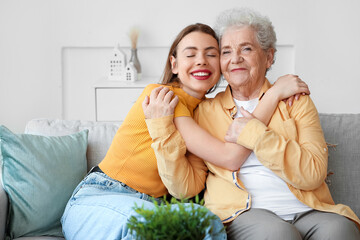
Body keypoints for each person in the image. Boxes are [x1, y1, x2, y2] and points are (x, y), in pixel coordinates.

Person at [61, 23, 308, 239]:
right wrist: (274, 94)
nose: (201, 60)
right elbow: (230, 156)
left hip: (154, 205)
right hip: (100, 197)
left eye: (211, 54)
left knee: (207, 225)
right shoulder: (161, 97)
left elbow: (189, 184)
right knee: (147, 226)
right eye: (191, 54)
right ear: (174, 64)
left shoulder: (205, 114)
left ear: (221, 66)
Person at [144, 8, 360, 240]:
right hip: (243, 213)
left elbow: (313, 173)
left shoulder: (296, 100)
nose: (235, 58)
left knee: (340, 229)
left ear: (269, 57)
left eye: (246, 49)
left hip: (309, 209)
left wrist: (255, 134)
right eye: (226, 51)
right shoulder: (204, 111)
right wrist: (162, 131)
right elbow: (186, 188)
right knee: (278, 234)